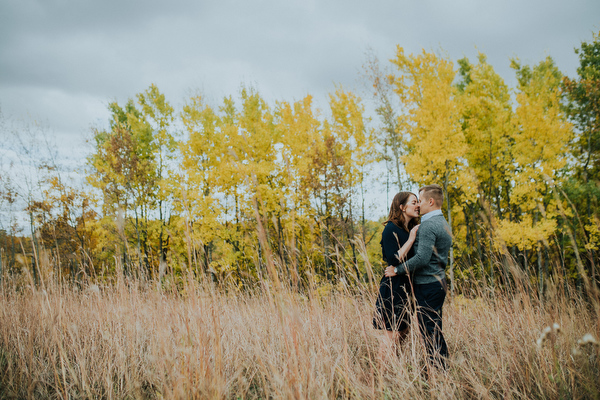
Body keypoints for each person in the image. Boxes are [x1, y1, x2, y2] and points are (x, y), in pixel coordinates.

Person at [385, 184, 452, 369]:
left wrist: (397, 270)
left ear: (430, 201)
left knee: (429, 331)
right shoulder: (443, 222)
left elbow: (422, 258)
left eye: (420, 201)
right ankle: (440, 368)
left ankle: (439, 370)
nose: (418, 205)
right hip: (437, 283)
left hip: (428, 285)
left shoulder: (428, 226)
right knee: (433, 328)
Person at [373, 192, 420, 354]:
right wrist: (411, 239)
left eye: (418, 202)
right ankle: (377, 377)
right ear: (401, 207)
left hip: (408, 289)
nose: (418, 205)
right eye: (414, 202)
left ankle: (394, 375)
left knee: (402, 334)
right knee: (391, 337)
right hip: (393, 288)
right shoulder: (391, 229)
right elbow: (394, 260)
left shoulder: (409, 229)